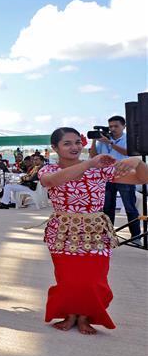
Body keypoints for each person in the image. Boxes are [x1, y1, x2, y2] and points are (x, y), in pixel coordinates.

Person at [39, 127, 148, 333]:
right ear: (55, 148)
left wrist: (137, 162)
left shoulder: (99, 170)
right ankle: (71, 315)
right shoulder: (49, 170)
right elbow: (51, 182)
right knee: (68, 279)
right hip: (64, 231)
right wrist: (90, 162)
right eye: (67, 143)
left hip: (95, 230)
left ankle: (85, 317)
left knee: (94, 280)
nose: (75, 147)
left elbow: (142, 179)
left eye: (77, 142)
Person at [89, 116, 139, 238]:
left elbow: (129, 153)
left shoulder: (129, 138)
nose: (113, 129)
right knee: (107, 208)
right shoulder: (103, 140)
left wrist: (110, 143)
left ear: (124, 126)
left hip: (125, 177)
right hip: (107, 177)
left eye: (116, 126)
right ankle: (108, 235)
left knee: (130, 207)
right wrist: (95, 140)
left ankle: (136, 236)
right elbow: (93, 156)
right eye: (111, 126)